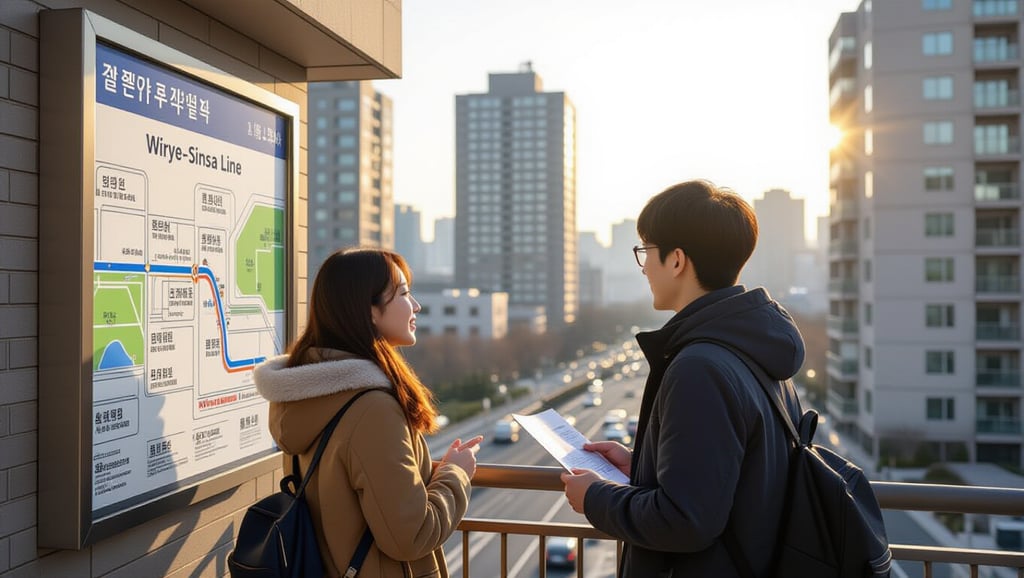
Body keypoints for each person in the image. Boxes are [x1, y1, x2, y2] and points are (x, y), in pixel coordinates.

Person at [561, 180, 805, 577]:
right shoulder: (759, 349)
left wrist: (595, 499)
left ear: (676, 260)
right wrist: (640, 469)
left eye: (646, 252)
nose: (643, 268)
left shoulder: (700, 367)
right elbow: (730, 482)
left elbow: (686, 520)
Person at [254, 247, 482, 578]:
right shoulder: (372, 410)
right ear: (370, 311)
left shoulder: (303, 394)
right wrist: (455, 474)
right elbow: (410, 535)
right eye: (403, 293)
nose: (416, 305)